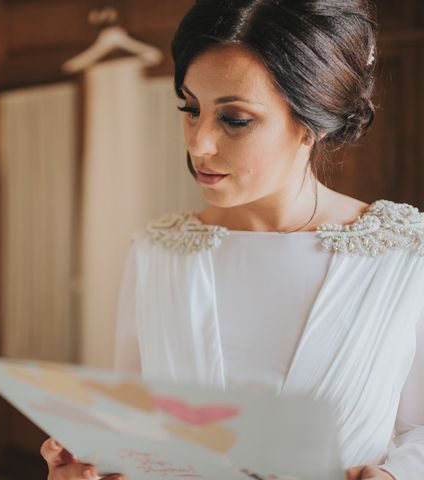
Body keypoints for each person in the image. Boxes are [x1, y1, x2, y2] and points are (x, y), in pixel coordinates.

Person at [42, 0, 424, 479]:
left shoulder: (404, 255)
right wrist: (91, 466)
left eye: (235, 119)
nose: (199, 142)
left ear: (313, 122)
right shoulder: (157, 252)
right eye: (191, 108)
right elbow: (137, 430)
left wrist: (395, 476)